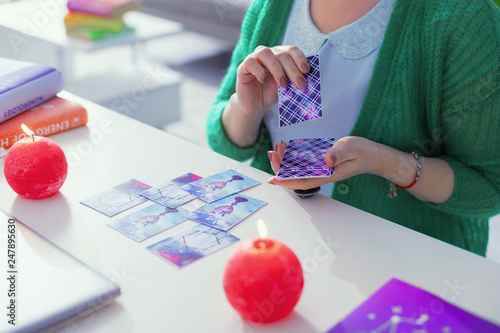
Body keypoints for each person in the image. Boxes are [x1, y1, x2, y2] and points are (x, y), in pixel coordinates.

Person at [207, 0, 500, 256]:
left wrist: (389, 164)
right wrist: (247, 108)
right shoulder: (273, 6)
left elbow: (490, 187)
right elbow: (223, 140)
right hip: (278, 244)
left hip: (400, 273)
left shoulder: (463, 16)